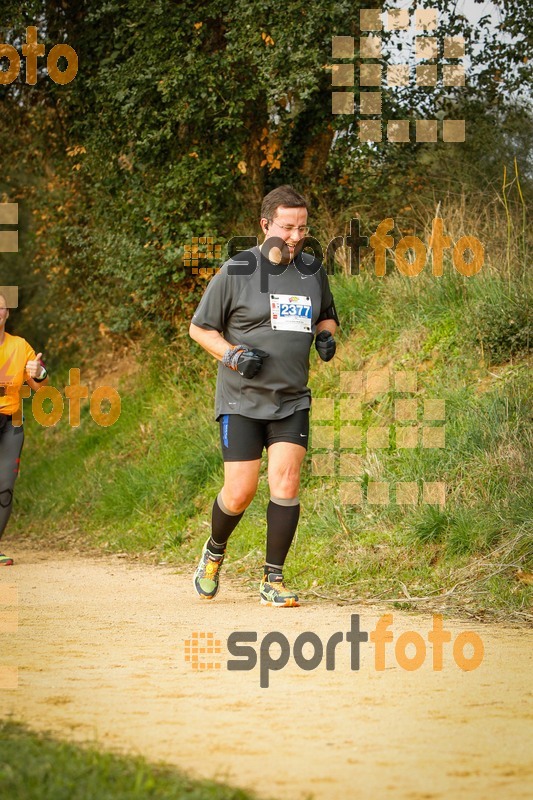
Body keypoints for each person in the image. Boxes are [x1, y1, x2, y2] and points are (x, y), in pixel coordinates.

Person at [189, 185, 339, 607]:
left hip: (291, 398)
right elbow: (200, 329)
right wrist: (233, 355)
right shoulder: (237, 269)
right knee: (239, 492)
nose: (295, 236)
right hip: (241, 398)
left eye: (302, 228)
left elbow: (326, 314)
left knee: (286, 482)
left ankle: (273, 578)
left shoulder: (312, 269)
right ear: (265, 225)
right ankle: (215, 551)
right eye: (287, 227)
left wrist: (326, 338)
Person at [0, 294, 49, 565]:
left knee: (5, 485)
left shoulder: (20, 347)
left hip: (10, 423)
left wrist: (38, 371)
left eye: (2, 307)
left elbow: (40, 386)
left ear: (7, 313)